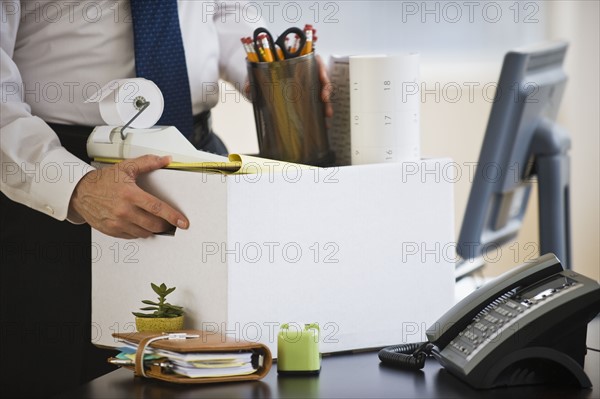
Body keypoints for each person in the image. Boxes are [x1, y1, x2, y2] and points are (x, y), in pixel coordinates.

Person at [0, 1, 332, 397]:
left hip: (198, 158)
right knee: (61, 374)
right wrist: (74, 186)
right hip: (63, 183)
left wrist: (266, 72)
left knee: (212, 369)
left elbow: (225, 11)